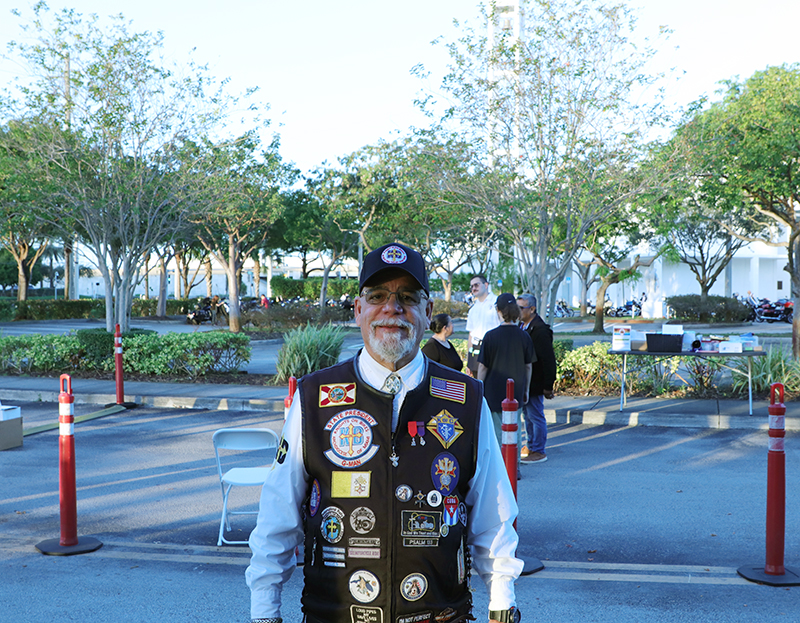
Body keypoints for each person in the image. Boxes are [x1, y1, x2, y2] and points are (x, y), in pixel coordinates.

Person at [247, 243, 523, 623]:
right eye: (377, 296)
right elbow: (278, 514)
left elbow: (494, 517)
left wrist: (502, 603)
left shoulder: (466, 399)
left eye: (407, 297)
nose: (392, 308)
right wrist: (264, 610)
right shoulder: (314, 397)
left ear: (428, 312)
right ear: (358, 310)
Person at [476, 294, 534, 452]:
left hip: (493, 391)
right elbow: (528, 366)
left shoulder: (490, 336)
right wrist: (526, 389)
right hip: (516, 389)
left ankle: (499, 464)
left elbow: (483, 367)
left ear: (498, 310)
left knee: (496, 431)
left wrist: (479, 388)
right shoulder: (524, 336)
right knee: (515, 429)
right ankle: (515, 463)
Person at [517, 294, 557, 464]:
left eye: (521, 308)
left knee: (535, 415)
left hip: (535, 380)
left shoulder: (540, 330)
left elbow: (548, 360)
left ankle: (539, 450)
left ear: (532, 309)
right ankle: (531, 444)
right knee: (527, 415)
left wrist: (548, 385)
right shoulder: (522, 326)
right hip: (525, 380)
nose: (518, 311)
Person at [465, 275, 500, 377]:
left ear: (486, 285)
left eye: (476, 285)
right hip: (477, 351)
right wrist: (469, 362)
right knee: (478, 383)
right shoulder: (473, 309)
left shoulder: (497, 303)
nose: (473, 288)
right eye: (472, 286)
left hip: (494, 350)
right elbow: (471, 335)